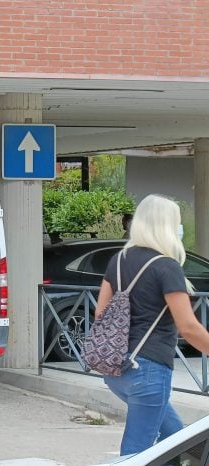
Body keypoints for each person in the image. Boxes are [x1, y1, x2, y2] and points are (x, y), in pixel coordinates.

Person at [95, 194, 209, 456]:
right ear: (168, 226)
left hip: (117, 370)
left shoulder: (119, 260)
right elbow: (188, 327)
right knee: (137, 453)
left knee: (177, 440)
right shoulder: (166, 267)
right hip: (148, 373)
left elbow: (100, 314)